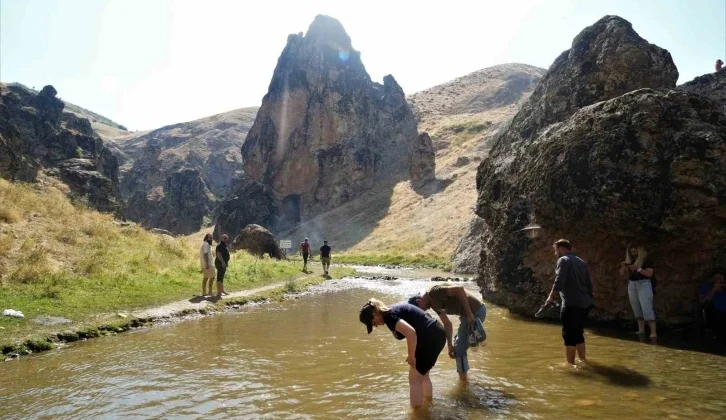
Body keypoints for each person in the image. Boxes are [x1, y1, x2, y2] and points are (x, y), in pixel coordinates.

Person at [359, 298, 446, 409]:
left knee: (414, 378)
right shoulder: (392, 311)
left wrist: (411, 357)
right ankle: (428, 405)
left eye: (372, 323)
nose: (375, 326)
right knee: (423, 375)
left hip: (429, 336)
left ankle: (417, 414)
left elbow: (411, 333)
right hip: (438, 331)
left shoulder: (389, 317)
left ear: (375, 314)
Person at [408, 284, 486, 381]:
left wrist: (470, 315)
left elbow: (460, 290)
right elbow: (447, 324)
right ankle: (474, 332)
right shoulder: (432, 305)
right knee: (456, 343)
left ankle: (463, 385)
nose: (424, 311)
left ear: (419, 301)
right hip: (465, 316)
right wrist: (449, 345)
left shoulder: (434, 292)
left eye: (421, 310)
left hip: (475, 312)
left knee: (459, 349)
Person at [544, 239, 593, 365]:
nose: (555, 253)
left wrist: (550, 297)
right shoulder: (581, 261)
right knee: (578, 332)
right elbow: (589, 283)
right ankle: (583, 360)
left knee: (568, 334)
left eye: (556, 250)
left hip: (571, 304)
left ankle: (570, 365)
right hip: (584, 304)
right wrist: (589, 299)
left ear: (561, 248)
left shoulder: (563, 260)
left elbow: (559, 280)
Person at [619, 245, 656, 338]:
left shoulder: (646, 260)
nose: (633, 254)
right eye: (631, 252)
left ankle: (653, 333)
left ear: (640, 252)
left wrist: (638, 268)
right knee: (636, 307)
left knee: (646, 307)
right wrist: (623, 266)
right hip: (632, 284)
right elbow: (622, 274)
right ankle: (641, 330)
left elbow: (649, 274)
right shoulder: (630, 261)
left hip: (644, 284)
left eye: (635, 252)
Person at [699, 270, 726, 341]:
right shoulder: (706, 286)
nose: (719, 281)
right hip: (714, 314)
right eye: (717, 278)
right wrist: (713, 290)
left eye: (721, 279)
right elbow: (702, 302)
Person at [214, 234, 230, 298]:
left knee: (222, 277)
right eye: (224, 238)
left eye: (226, 238)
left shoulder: (224, 245)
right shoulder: (219, 245)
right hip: (220, 263)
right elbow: (219, 254)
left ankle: (222, 290)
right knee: (219, 277)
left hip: (224, 263)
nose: (226, 239)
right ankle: (219, 292)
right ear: (221, 238)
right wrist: (223, 262)